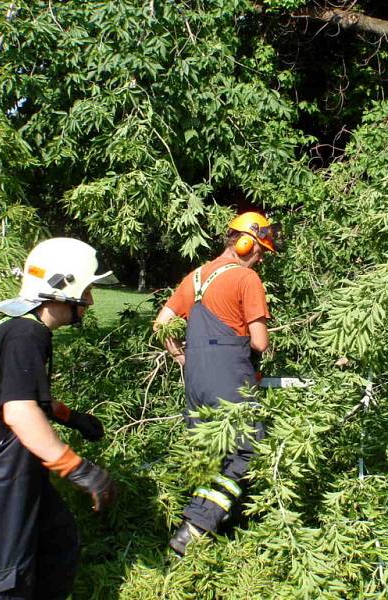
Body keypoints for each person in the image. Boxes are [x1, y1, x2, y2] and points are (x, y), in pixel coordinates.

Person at [0, 237, 116, 600]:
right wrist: (77, 468)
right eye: (88, 290)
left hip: (3, 463)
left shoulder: (20, 326)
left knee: (56, 542)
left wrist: (70, 416)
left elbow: (16, 393)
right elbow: (18, 411)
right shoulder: (26, 334)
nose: (91, 302)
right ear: (65, 287)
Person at [154, 211, 280, 555]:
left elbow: (162, 323)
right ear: (246, 243)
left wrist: (183, 358)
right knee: (247, 450)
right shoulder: (245, 278)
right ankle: (196, 526)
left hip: (195, 379)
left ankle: (219, 526)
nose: (261, 259)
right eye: (261, 252)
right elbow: (259, 343)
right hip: (228, 377)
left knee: (211, 453)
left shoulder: (194, 277)